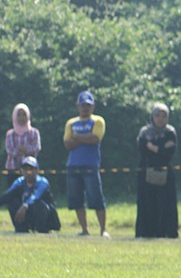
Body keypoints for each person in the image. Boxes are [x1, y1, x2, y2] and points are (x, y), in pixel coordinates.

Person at [64, 90, 108, 237]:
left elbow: (95, 139)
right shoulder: (71, 123)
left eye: (88, 105)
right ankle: (84, 230)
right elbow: (67, 143)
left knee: (96, 198)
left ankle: (103, 230)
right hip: (73, 165)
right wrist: (84, 138)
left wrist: (77, 137)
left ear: (93, 106)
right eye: (83, 105)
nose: (85, 108)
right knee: (76, 199)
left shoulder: (98, 121)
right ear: (78, 106)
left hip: (90, 165)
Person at [135, 103, 178, 239]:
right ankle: (146, 232)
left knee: (166, 204)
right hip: (146, 172)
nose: (160, 119)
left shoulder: (170, 132)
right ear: (152, 116)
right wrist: (160, 148)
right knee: (146, 203)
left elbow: (169, 153)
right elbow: (142, 149)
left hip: (165, 174)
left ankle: (166, 232)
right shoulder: (144, 132)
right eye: (158, 116)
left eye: (164, 116)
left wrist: (153, 147)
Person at [0, 157, 60, 233]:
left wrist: (25, 205)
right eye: (25, 169)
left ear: (37, 170)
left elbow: (36, 196)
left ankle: (43, 229)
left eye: (31, 169)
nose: (28, 172)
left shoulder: (42, 182)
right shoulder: (19, 182)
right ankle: (21, 228)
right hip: (27, 215)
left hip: (46, 217)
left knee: (38, 204)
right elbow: (7, 195)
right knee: (12, 202)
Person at [6, 104, 41, 183]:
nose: (21, 117)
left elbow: (37, 147)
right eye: (19, 115)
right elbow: (10, 150)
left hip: (30, 169)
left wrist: (25, 149)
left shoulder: (34, 132)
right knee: (14, 194)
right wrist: (21, 151)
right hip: (13, 168)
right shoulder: (10, 134)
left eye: (24, 115)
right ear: (15, 116)